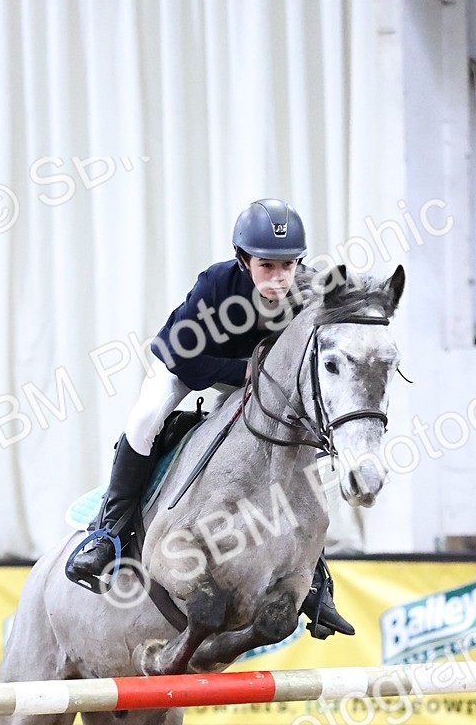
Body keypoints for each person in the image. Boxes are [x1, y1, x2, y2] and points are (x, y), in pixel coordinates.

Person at [65, 197, 354, 639]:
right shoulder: (217, 284)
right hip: (189, 364)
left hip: (257, 381)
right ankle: (111, 532)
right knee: (146, 418)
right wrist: (247, 375)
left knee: (288, 448)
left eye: (288, 265)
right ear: (243, 260)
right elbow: (189, 362)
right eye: (266, 266)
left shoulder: (306, 291)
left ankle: (313, 578)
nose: (279, 278)